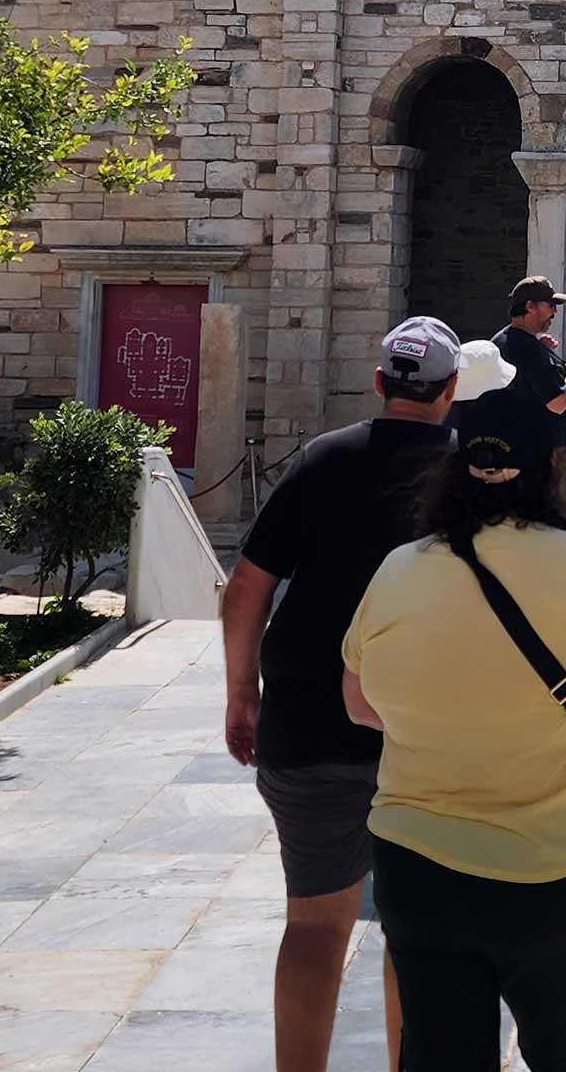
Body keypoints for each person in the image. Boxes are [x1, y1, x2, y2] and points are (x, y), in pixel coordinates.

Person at [342, 383, 566, 1072]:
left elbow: (360, 704)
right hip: (550, 870)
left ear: (454, 469)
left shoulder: (397, 572)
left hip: (417, 867)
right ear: (553, 469)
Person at [221, 315, 462, 1072]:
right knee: (415, 931)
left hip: (307, 715)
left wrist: (241, 694)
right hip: (429, 732)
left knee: (316, 924)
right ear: (451, 391)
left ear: (380, 380)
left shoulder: (322, 459)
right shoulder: (470, 474)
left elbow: (246, 590)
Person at [494, 274, 566, 471]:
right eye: (550, 305)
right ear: (530, 306)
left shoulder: (503, 341)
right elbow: (557, 403)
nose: (554, 312)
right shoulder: (527, 348)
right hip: (534, 457)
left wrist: (541, 349)